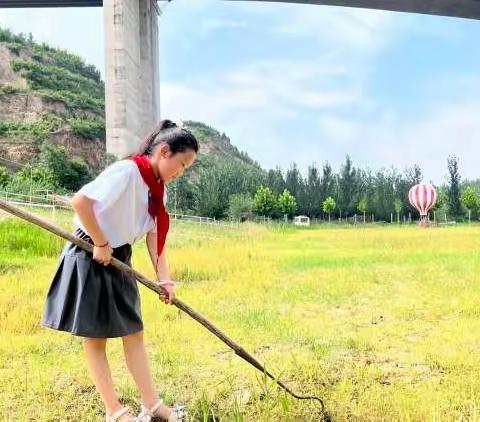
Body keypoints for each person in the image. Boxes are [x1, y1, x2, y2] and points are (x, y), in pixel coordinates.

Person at [41, 120, 198, 421]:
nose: (181, 173)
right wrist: (100, 241)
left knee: (134, 332)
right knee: (95, 338)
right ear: (164, 151)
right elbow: (81, 202)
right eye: (182, 164)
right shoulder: (128, 172)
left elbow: (156, 239)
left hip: (119, 258)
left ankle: (152, 405)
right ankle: (115, 411)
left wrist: (163, 279)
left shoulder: (158, 191)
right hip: (90, 251)